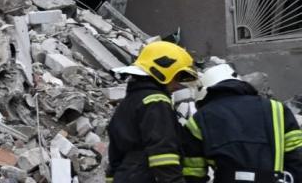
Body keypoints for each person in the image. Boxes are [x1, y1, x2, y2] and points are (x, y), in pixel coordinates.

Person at [180, 62, 302, 183]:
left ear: (204, 91)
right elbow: (297, 154)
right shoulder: (276, 108)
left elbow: (194, 172)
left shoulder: (198, 119)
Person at [106, 40, 200, 183]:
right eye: (177, 77)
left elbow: (115, 156)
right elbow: (164, 156)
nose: (178, 85)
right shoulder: (156, 102)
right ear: (163, 71)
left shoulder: (129, 102)